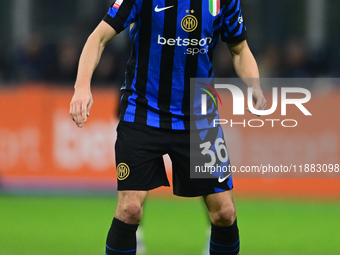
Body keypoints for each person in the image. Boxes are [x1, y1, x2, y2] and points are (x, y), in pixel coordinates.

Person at [69, 0, 267, 254]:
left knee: (225, 213)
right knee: (130, 209)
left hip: (199, 118)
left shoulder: (223, 1)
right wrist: (82, 87)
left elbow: (239, 49)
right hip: (142, 113)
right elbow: (97, 38)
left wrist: (255, 86)